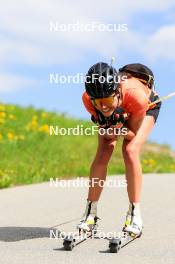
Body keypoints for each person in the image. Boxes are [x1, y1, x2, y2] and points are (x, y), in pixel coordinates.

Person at [77, 62, 161, 236]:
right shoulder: (88, 99)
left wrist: (119, 125)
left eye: (107, 100)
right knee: (103, 151)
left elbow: (132, 134)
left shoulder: (136, 97)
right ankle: (90, 213)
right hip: (122, 108)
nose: (103, 107)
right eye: (98, 103)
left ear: (116, 92)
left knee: (130, 150)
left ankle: (134, 214)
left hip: (145, 107)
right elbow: (106, 129)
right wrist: (110, 125)